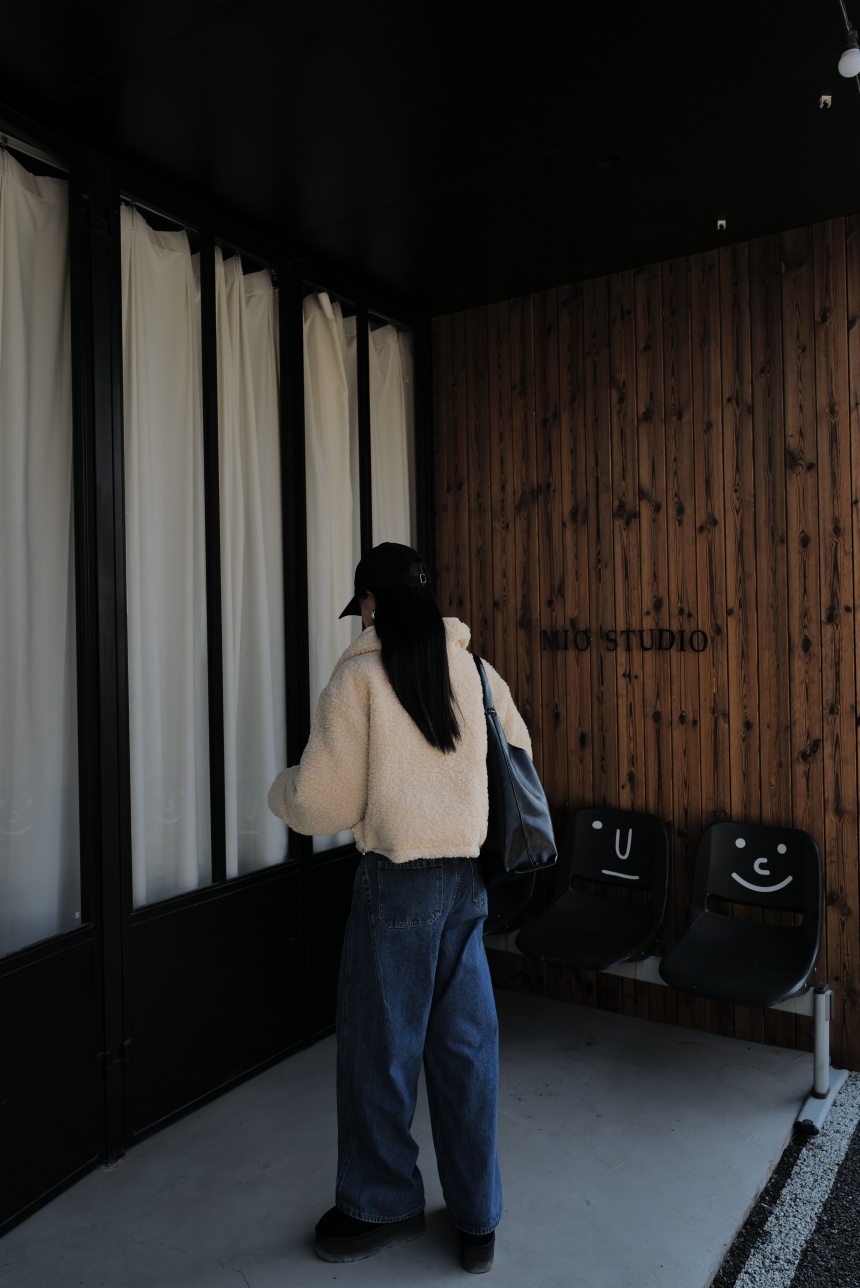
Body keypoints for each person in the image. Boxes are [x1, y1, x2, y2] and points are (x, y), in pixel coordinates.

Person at [268, 542, 532, 1274]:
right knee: (467, 1051)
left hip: (396, 885)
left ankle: (381, 1204)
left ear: (372, 603)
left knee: (380, 1052)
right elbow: (517, 752)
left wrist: (280, 790)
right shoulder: (476, 669)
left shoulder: (358, 678)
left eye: (363, 605)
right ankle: (478, 1218)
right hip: (467, 884)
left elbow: (319, 802)